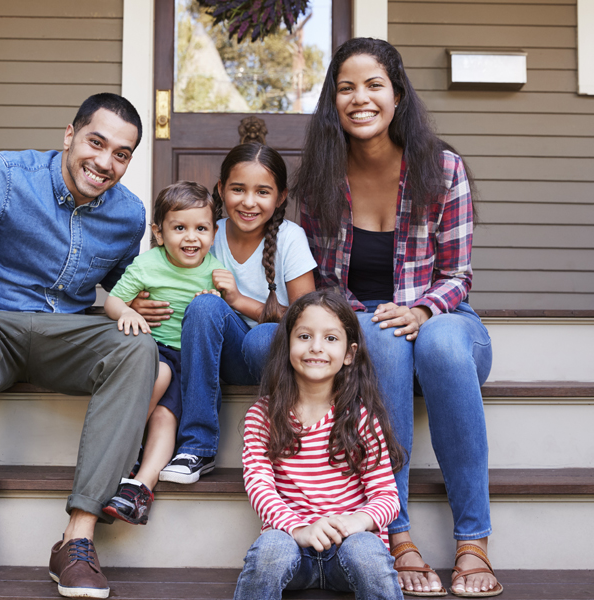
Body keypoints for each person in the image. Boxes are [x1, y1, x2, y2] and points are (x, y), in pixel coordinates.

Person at [0, 93, 155, 599]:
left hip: (64, 335)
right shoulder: (2, 175)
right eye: (96, 142)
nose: (105, 162)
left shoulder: (129, 215)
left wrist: (144, 303)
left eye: (121, 153)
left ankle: (77, 538)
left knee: (137, 349)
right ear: (69, 135)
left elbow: (120, 285)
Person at [293, 38, 500, 598]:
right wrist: (362, 319)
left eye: (373, 85)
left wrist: (420, 310)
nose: (360, 98)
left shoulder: (444, 168)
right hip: (367, 324)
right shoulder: (319, 180)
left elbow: (458, 276)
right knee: (381, 343)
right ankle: (397, 531)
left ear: (398, 93)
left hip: (446, 319)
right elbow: (324, 284)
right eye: (345, 88)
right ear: (332, 102)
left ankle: (472, 539)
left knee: (437, 345)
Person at [135, 143, 317, 484]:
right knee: (204, 305)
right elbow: (161, 281)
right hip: (215, 354)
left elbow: (308, 319)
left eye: (262, 191)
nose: (249, 202)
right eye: (238, 189)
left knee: (263, 337)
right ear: (221, 190)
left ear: (280, 198)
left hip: (268, 357)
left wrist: (238, 300)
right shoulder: (204, 232)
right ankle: (197, 449)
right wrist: (138, 305)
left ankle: (285, 443)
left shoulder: (291, 238)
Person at [234, 290, 405, 600]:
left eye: (330, 339)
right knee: (270, 548)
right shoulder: (263, 415)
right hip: (292, 546)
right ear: (288, 345)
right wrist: (298, 529)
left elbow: (387, 497)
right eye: (304, 336)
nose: (316, 347)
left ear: (349, 353)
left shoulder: (360, 418)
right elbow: (259, 486)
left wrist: (357, 522)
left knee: (367, 548)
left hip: (347, 549)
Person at [101, 181, 224, 524]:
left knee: (165, 417)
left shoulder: (215, 271)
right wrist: (127, 311)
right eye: (179, 228)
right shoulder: (147, 265)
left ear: (213, 233)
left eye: (201, 228)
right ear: (158, 233)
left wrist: (223, 297)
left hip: (190, 361)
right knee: (160, 375)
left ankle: (139, 489)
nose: (191, 238)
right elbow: (113, 300)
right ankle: (122, 452)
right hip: (152, 350)